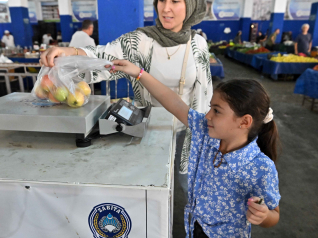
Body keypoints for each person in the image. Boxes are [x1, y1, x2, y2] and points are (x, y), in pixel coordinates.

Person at [41, 0, 212, 175]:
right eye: (161, 0)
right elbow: (104, 55)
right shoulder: (140, 41)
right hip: (147, 129)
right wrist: (69, 51)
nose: (166, 9)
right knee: (151, 183)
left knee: (184, 187)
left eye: (175, 1)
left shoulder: (198, 45)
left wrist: (207, 133)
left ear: (190, 5)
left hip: (187, 132)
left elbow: (205, 93)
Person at [108, 60, 281, 237]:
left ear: (244, 121)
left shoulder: (261, 168)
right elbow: (173, 101)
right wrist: (138, 73)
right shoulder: (207, 132)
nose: (207, 115)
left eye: (217, 111)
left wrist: (264, 215)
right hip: (193, 228)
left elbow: (274, 215)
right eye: (210, 108)